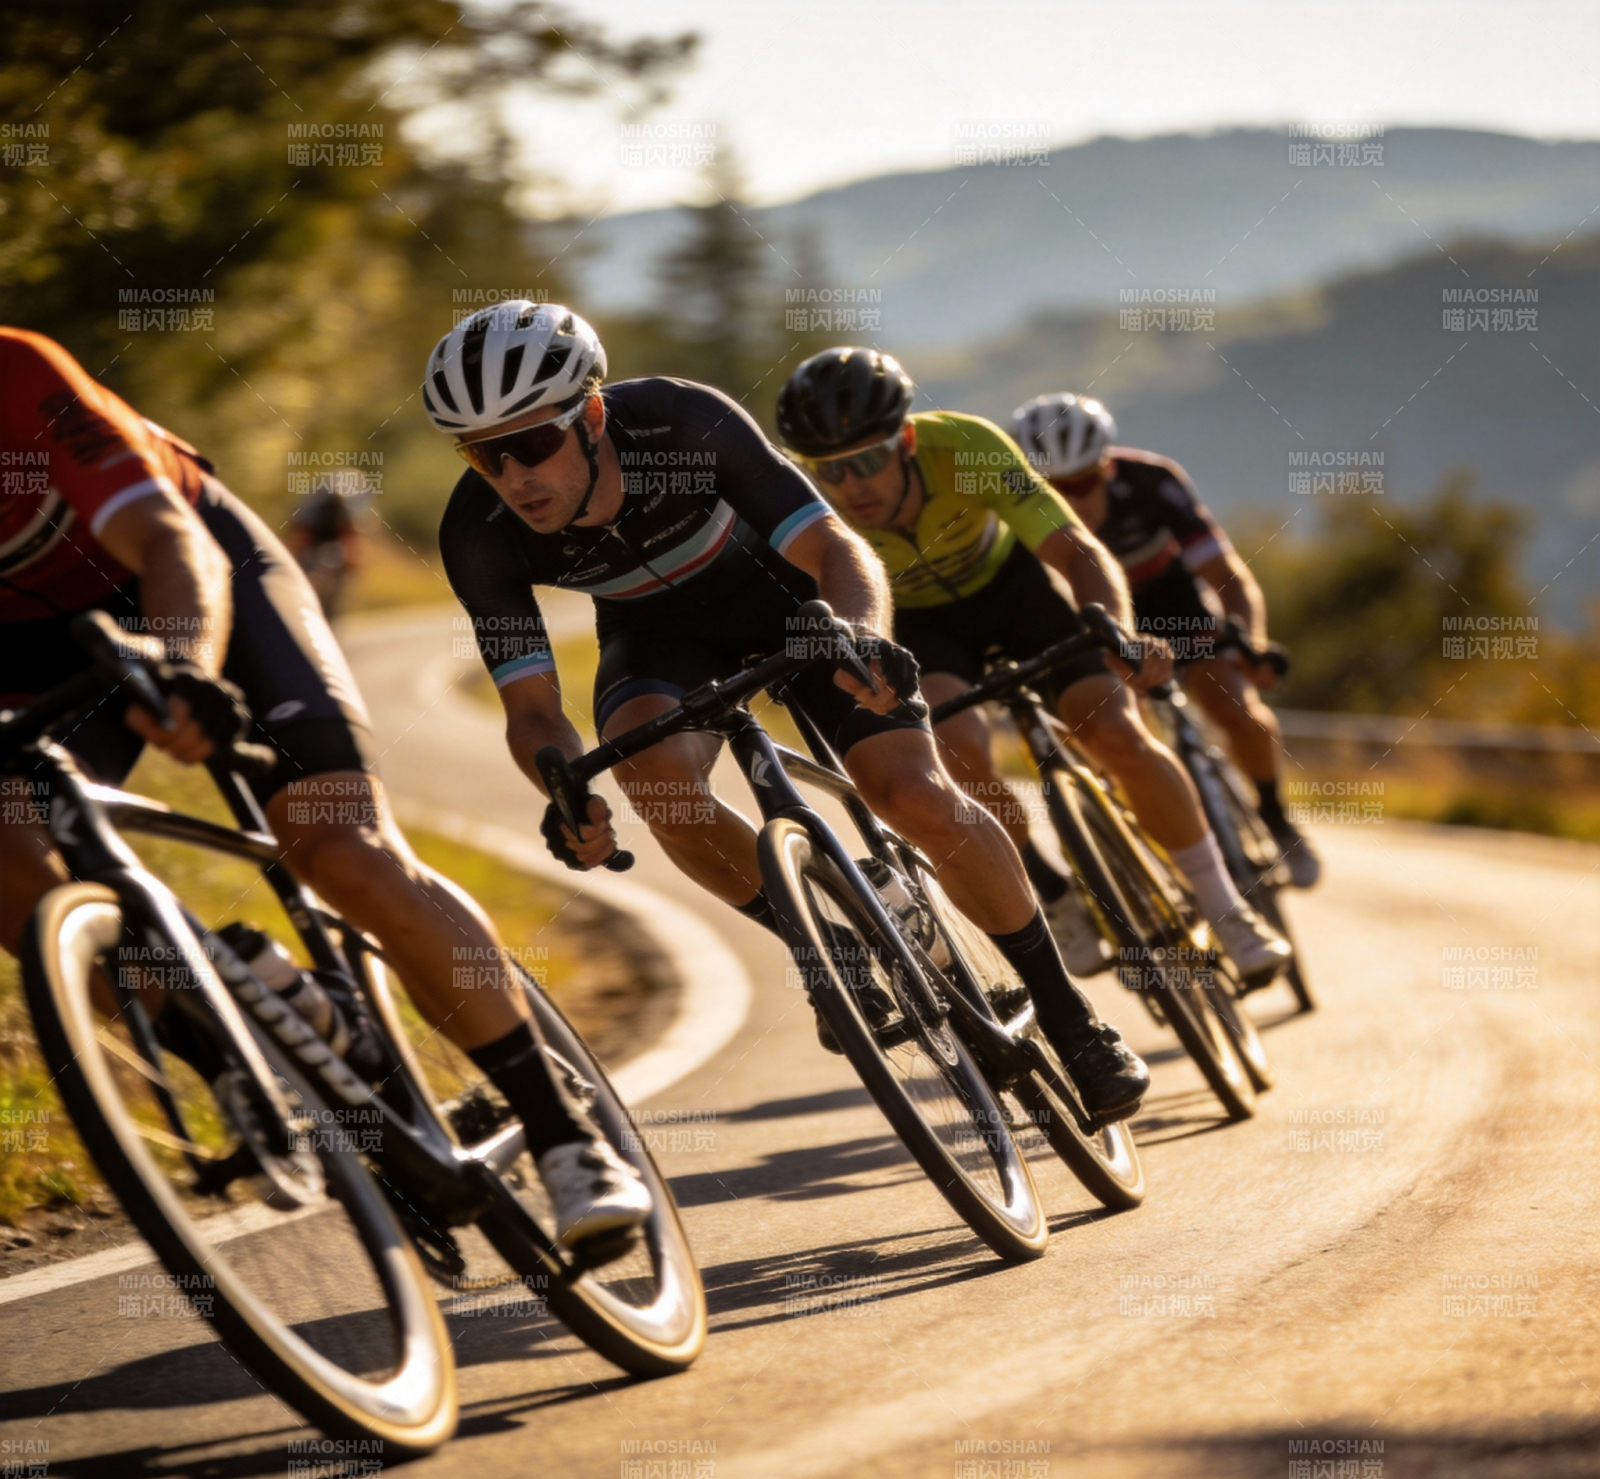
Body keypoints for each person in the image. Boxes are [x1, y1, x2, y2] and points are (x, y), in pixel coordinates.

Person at [0, 326, 647, 1247]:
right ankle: (234, 1047)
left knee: (339, 847)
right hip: (27, 652)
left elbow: (169, 540)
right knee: (8, 865)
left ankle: (563, 1133)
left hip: (186, 574)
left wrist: (187, 667)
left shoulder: (15, 372)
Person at [428, 301, 1150, 1127]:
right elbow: (531, 709)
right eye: (485, 454)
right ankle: (826, 948)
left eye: (532, 442)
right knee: (652, 777)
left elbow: (838, 549)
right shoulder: (477, 528)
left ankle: (1071, 1020)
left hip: (796, 608)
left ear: (590, 414)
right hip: (657, 640)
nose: (514, 475)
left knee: (909, 792)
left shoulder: (679, 420)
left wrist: (865, 641)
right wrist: (561, 785)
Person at [774, 348, 1290, 984]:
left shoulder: (966, 446)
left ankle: (1225, 907)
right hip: (921, 626)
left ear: (905, 439)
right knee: (957, 750)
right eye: (831, 471)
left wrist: (1116, 632)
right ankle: (1054, 893)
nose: (853, 485)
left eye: (868, 459)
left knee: (1114, 732)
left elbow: (1077, 550)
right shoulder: (802, 501)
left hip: (1015, 594)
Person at [1010, 392, 1321, 889]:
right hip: (1095, 616)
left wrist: (1252, 644)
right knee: (1122, 734)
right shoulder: (1015, 507)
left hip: (1172, 601)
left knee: (1232, 703)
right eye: (1053, 488)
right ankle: (1170, 844)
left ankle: (1275, 818)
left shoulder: (1153, 481)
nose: (1072, 501)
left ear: (1107, 468)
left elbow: (1227, 574)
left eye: (1083, 483)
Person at [284, 486, 363, 621]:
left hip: (327, 550)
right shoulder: (312, 512)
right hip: (315, 550)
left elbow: (348, 536)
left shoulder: (321, 511)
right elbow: (301, 536)